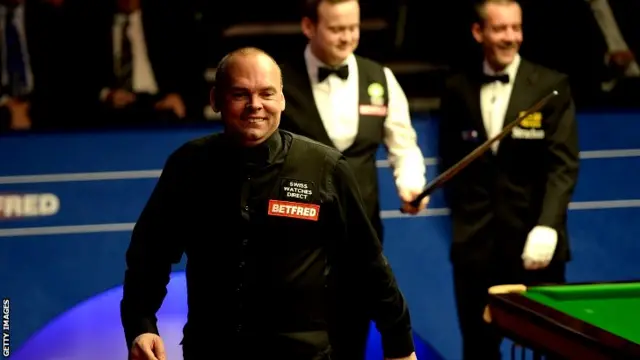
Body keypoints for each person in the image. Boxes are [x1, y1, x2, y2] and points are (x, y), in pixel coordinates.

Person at [120, 47, 418, 360]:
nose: (255, 105)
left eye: (267, 93)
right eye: (240, 94)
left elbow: (366, 262)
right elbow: (149, 256)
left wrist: (399, 344)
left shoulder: (325, 167)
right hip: (211, 350)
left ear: (282, 99)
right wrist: (141, 324)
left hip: (304, 354)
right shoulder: (188, 165)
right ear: (215, 100)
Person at [278, 2, 428, 356]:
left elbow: (403, 146)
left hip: (360, 236)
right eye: (336, 29)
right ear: (308, 26)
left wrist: (411, 183)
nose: (347, 37)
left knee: (351, 339)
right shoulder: (279, 80)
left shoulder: (380, 78)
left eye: (353, 27)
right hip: (296, 240)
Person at [437, 0, 580, 359]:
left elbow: (563, 166)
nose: (511, 37)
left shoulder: (551, 87)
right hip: (476, 250)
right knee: (479, 347)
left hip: (536, 247)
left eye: (516, 28)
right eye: (500, 29)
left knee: (550, 347)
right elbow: (451, 163)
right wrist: (464, 222)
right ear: (478, 32)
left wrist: (548, 225)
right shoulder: (457, 88)